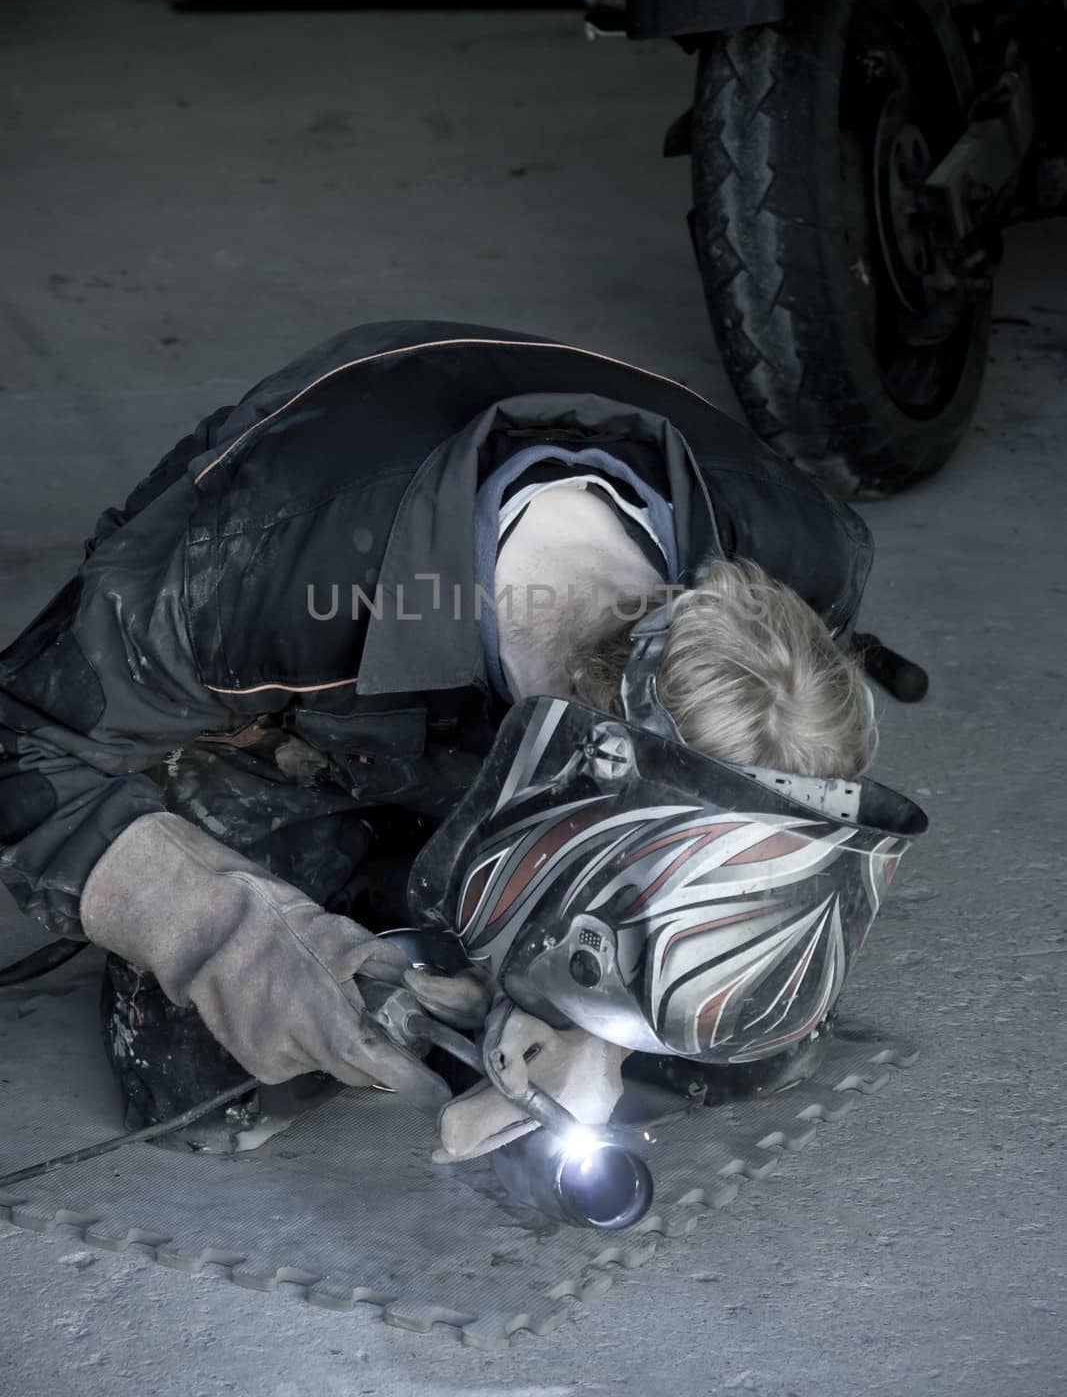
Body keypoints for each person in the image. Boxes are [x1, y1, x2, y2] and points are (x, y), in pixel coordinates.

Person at [0, 321, 880, 1152]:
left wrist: (601, 1032)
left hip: (503, 702)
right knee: (225, 1072)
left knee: (738, 1028)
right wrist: (236, 935)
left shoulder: (801, 550)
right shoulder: (251, 583)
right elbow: (20, 743)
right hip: (300, 725)